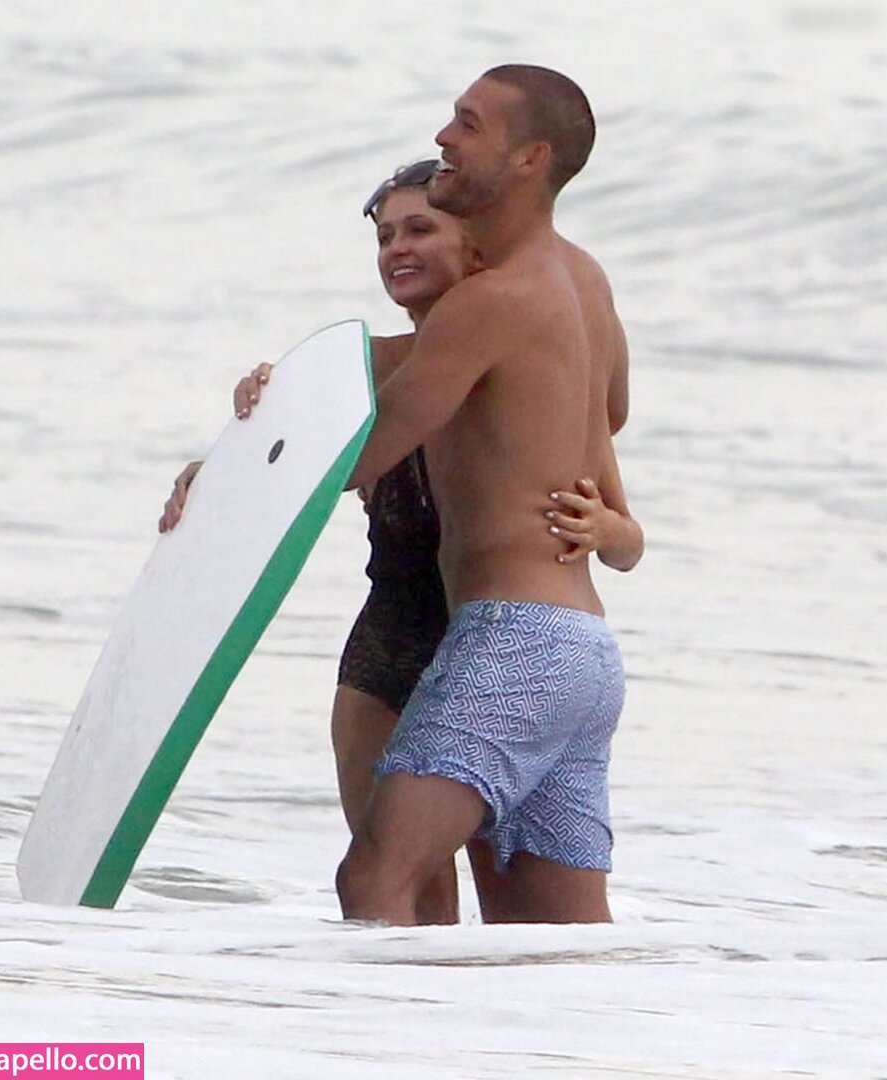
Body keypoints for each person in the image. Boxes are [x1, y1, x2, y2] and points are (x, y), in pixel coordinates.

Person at [159, 153, 642, 924]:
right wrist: (221, 463)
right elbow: (288, 460)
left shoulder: (527, 358)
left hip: (503, 650)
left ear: (473, 243)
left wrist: (611, 529)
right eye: (384, 237)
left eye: (419, 229)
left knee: (482, 898)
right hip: (391, 654)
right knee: (405, 897)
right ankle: (400, 1006)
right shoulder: (362, 371)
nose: (397, 249)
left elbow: (620, 519)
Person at [333, 64, 637, 927]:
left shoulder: (488, 302)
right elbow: (609, 411)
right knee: (550, 943)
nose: (444, 138)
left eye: (468, 124)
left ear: (529, 158)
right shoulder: (582, 279)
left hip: (513, 640)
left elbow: (367, 452)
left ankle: (370, 1023)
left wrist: (232, 483)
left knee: (376, 879)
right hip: (582, 652)